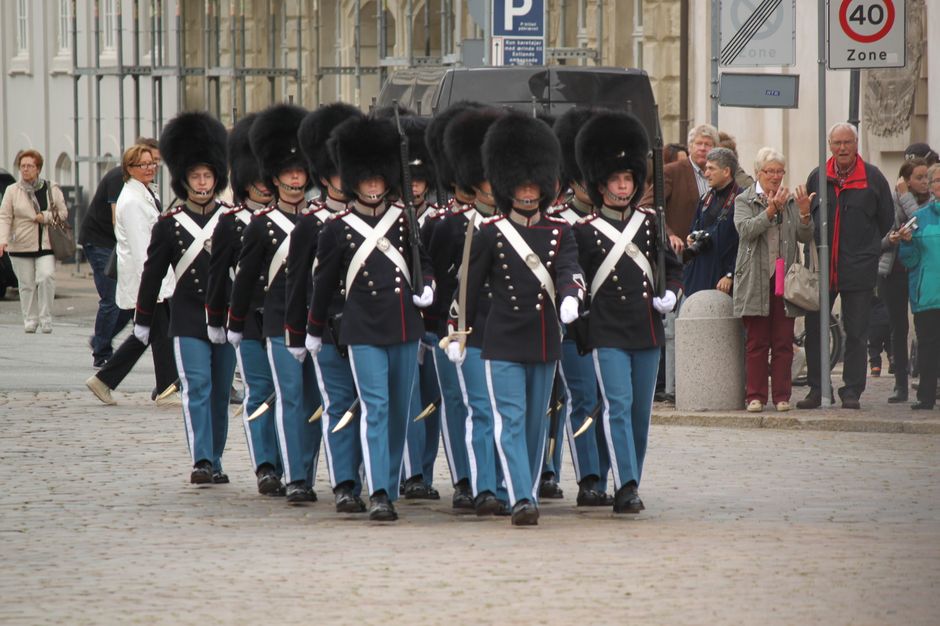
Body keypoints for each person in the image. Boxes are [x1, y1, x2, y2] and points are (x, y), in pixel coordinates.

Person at [446, 111, 584, 526]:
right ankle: (523, 498)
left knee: (532, 426)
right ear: (507, 186)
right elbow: (467, 289)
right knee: (509, 419)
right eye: (520, 185)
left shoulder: (560, 232)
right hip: (502, 339)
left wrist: (571, 298)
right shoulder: (489, 231)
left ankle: (516, 488)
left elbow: (569, 270)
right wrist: (457, 333)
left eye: (533, 184)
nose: (527, 191)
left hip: (543, 338)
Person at [307, 114, 435, 522]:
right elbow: (323, 286)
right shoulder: (337, 228)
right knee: (375, 408)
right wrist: (312, 330)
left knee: (398, 412)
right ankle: (379, 489)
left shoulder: (405, 220)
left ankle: (388, 479)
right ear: (354, 180)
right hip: (362, 329)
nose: (375, 185)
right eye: (368, 179)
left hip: (403, 326)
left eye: (380, 178)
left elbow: (423, 263)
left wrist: (427, 286)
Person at [573, 110, 682, 514]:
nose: (624, 185)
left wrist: (671, 293)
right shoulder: (583, 230)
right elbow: (576, 278)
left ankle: (631, 473)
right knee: (616, 405)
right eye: (617, 179)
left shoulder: (651, 222)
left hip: (646, 330)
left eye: (629, 178)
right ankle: (626, 484)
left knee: (639, 414)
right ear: (602, 184)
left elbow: (672, 268)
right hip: (606, 332)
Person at [228, 103, 322, 504]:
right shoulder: (262, 224)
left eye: (300, 171)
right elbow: (246, 279)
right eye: (288, 172)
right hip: (276, 320)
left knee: (314, 404)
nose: (295, 178)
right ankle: (285, 471)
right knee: (286, 398)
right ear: (274, 177)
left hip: (316, 323)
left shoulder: (320, 221)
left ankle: (304, 467)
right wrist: (234, 323)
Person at [135, 111, 236, 485]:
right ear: (184, 180)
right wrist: (144, 317)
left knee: (221, 392)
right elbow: (153, 272)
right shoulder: (170, 225)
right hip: (189, 314)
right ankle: (202, 459)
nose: (202, 181)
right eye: (196, 176)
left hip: (224, 316)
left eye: (208, 175)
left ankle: (218, 456)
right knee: (197, 387)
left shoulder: (231, 220)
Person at [289, 102, 366, 513]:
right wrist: (298, 333)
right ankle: (344, 482)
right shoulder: (311, 223)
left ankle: (369, 476)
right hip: (330, 327)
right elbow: (298, 283)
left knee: (370, 406)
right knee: (336, 404)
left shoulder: (379, 219)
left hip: (371, 326)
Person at [205, 112, 284, 497]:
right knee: (260, 390)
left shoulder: (298, 219)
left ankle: (291, 461)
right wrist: (218, 320)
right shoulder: (231, 222)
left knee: (292, 394)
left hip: (289, 317)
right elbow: (219, 277)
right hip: (251, 318)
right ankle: (266, 464)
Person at [436, 106, 509, 514]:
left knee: (509, 413)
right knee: (475, 408)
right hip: (467, 329)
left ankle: (508, 481)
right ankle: (475, 482)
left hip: (510, 329)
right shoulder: (449, 225)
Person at [799, 123, 894, 410]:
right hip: (822, 269)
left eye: (847, 143)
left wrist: (865, 249)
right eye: (837, 143)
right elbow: (807, 219)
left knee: (856, 331)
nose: (842, 148)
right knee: (815, 330)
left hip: (858, 268)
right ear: (829, 145)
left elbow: (885, 220)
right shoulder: (818, 176)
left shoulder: (872, 178)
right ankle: (817, 388)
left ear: (856, 145)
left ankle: (852, 389)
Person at [547, 106, 612, 506]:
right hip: (565, 325)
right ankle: (560, 472)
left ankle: (599, 476)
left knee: (598, 402)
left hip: (607, 325)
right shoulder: (558, 220)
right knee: (565, 401)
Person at [85, 144, 177, 406]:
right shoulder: (133, 201)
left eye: (151, 163)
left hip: (151, 279)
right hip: (146, 279)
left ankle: (104, 380)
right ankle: (166, 391)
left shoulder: (144, 193)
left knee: (145, 334)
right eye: (142, 164)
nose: (149, 168)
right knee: (159, 334)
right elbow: (141, 250)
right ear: (129, 169)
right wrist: (155, 288)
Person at [732, 147, 815, 413]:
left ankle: (782, 396)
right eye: (770, 172)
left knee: (783, 342)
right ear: (758, 173)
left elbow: (803, 237)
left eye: (780, 171)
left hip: (784, 278)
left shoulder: (789, 201)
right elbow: (746, 231)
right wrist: (769, 211)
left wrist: (804, 213)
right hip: (756, 278)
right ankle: (754, 396)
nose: (776, 177)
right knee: (757, 342)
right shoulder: (744, 200)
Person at [80, 137, 159, 367]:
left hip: (119, 244)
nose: (152, 167)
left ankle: (100, 340)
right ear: (132, 165)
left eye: (154, 162)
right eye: (147, 162)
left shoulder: (145, 187)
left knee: (127, 301)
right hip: (102, 242)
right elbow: (119, 220)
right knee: (112, 298)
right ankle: (102, 351)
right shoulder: (119, 180)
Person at [878, 157, 931, 402]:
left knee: (927, 328)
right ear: (906, 180)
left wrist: (906, 198)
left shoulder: (931, 203)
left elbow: (921, 224)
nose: (925, 183)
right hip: (894, 272)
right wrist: (893, 238)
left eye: (927, 178)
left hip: (922, 273)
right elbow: (878, 240)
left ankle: (926, 379)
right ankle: (900, 382)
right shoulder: (891, 201)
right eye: (919, 178)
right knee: (899, 328)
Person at [0, 149, 69, 334]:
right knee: (26, 284)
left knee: (46, 277)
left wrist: (44, 217)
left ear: (38, 168)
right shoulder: (12, 190)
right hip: (20, 244)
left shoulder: (51, 188)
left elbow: (63, 213)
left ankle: (45, 317)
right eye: (22, 166)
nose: (25, 169)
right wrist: (2, 240)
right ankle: (30, 319)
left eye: (29, 166)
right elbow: (5, 217)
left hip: (46, 244)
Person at [639, 123, 720, 256]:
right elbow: (645, 206)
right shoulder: (672, 172)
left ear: (715, 149)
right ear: (690, 146)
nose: (702, 148)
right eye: (698, 143)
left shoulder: (719, 175)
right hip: (680, 254)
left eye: (708, 144)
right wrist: (668, 234)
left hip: (711, 254)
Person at [899, 187, 939, 410]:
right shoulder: (919, 218)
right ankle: (926, 396)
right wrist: (906, 242)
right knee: (928, 349)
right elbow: (909, 260)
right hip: (928, 296)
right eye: (937, 180)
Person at [682, 147, 741, 298]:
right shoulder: (705, 198)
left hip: (723, 280)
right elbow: (693, 229)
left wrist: (731, 274)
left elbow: (744, 243)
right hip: (698, 273)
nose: (706, 173)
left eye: (711, 169)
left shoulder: (741, 199)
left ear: (726, 171)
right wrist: (691, 237)